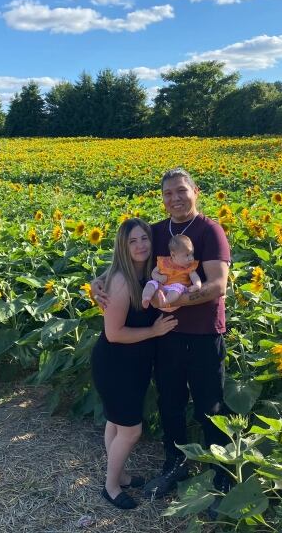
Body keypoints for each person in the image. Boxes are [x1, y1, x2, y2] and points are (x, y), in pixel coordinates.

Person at [93, 168, 232, 502]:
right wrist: (98, 282)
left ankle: (223, 474)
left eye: (181, 191)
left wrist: (177, 301)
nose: (175, 198)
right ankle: (175, 462)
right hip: (165, 337)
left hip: (201, 333)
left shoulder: (209, 231)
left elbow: (217, 284)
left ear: (195, 191)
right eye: (168, 193)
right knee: (170, 402)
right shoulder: (157, 232)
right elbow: (128, 259)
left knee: (210, 405)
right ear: (162, 198)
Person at [91, 218, 178, 510]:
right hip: (116, 365)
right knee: (131, 430)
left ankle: (122, 476)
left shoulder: (148, 276)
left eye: (145, 239)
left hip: (133, 364)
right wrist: (153, 331)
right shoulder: (119, 281)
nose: (140, 245)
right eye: (132, 241)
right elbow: (114, 334)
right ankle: (111, 486)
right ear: (122, 246)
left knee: (116, 422)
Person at [141, 234, 201, 308]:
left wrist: (197, 285)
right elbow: (153, 273)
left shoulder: (189, 267)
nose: (191, 258)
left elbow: (195, 277)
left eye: (192, 254)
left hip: (177, 291)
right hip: (162, 287)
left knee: (177, 288)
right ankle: (146, 297)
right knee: (151, 283)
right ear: (173, 255)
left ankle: (165, 301)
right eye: (187, 255)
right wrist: (159, 277)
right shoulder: (164, 262)